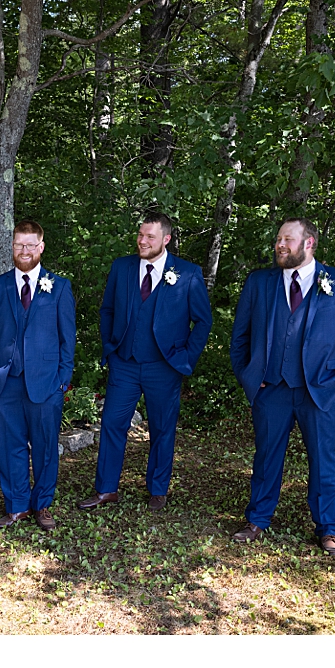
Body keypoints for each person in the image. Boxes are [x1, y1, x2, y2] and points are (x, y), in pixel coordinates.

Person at [229, 217, 335, 555]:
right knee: (266, 457)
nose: (280, 245)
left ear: (309, 243)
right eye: (279, 238)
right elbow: (240, 338)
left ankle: (328, 528)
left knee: (324, 461)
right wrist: (251, 379)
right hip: (272, 389)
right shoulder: (259, 282)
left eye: (287, 239)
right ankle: (257, 519)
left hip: (321, 391)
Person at [78, 212, 212, 513]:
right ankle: (106, 489)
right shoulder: (122, 267)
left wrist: (185, 358)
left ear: (166, 238)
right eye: (140, 235)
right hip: (124, 362)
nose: (142, 240)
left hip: (164, 367)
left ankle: (158, 489)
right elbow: (107, 310)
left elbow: (203, 321)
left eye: (150, 236)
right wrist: (111, 347)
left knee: (162, 428)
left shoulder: (187, 273)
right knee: (112, 424)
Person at [0, 220, 76, 530]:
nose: (24, 250)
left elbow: (67, 340)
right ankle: (16, 506)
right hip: (5, 381)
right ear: (12, 247)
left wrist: (61, 380)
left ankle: (42, 504)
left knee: (46, 446)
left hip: (46, 382)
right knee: (10, 445)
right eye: (19, 244)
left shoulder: (59, 287)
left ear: (41, 247)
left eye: (30, 245)